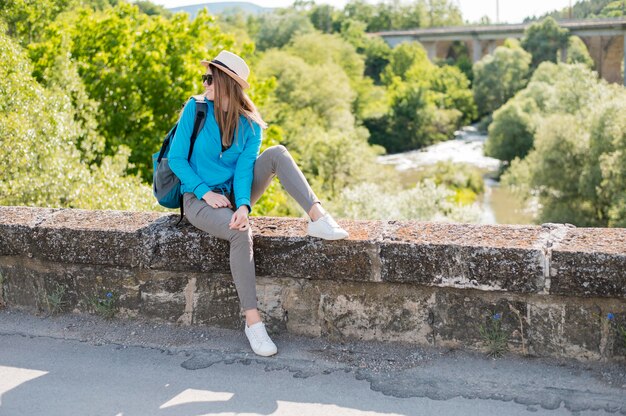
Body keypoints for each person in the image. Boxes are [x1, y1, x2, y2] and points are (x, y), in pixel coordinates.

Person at [169, 50, 349, 357]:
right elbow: (176, 159)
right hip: (197, 199)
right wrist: (204, 191)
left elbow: (243, 172)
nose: (205, 83)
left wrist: (243, 206)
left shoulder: (250, 126)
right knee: (241, 233)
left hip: (231, 196)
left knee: (277, 153)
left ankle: (317, 216)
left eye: (210, 78)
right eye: (205, 77)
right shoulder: (195, 108)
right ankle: (253, 323)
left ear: (226, 84)